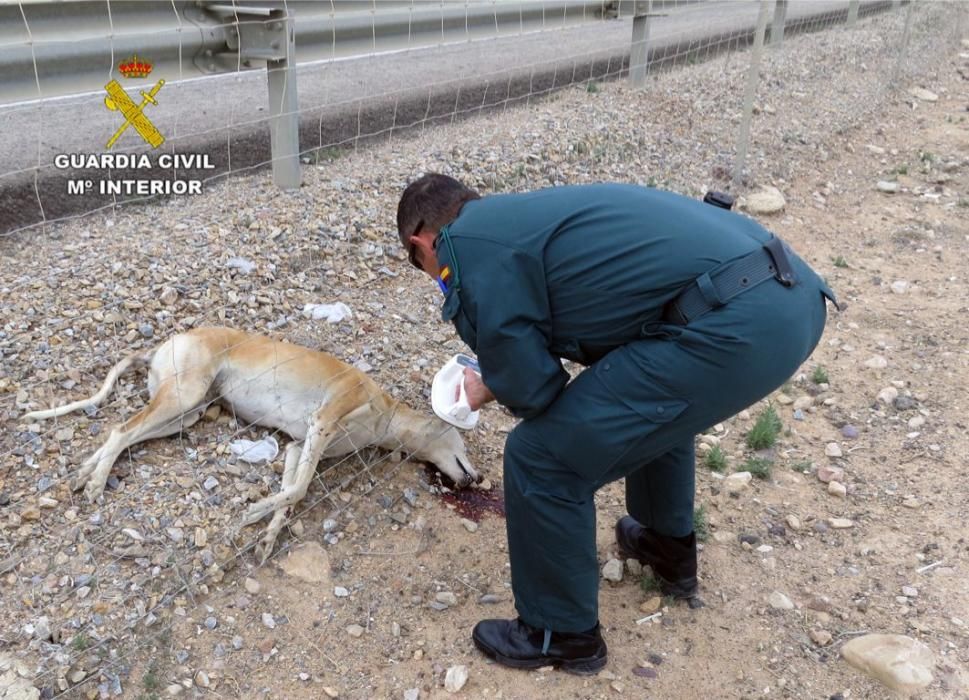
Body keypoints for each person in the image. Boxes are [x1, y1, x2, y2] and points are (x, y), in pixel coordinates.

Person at [396, 173, 837, 675]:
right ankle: (665, 548)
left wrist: (486, 383)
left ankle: (560, 634)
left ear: (423, 242)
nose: (436, 275)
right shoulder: (528, 217)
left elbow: (535, 392)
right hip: (792, 298)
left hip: (737, 323)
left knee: (541, 457)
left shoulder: (465, 246)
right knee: (642, 393)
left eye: (426, 267)